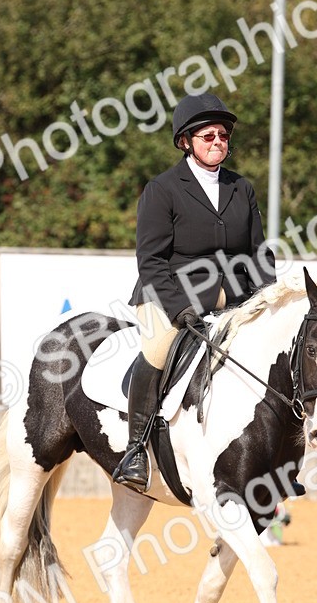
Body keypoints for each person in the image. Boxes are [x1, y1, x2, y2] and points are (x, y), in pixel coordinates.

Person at [112, 92, 277, 492]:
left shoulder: (242, 189)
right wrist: (178, 307)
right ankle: (135, 451)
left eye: (223, 135)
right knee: (158, 347)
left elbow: (257, 253)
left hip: (229, 297)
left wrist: (271, 297)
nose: (218, 141)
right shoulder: (163, 189)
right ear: (186, 141)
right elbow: (150, 260)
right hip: (166, 292)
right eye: (208, 135)